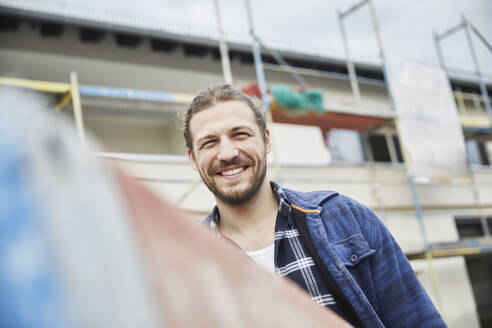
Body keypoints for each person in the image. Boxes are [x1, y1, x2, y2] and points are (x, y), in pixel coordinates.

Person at [183, 84, 446, 328]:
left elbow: (419, 320)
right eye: (209, 142)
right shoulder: (184, 260)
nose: (227, 153)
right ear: (193, 159)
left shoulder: (345, 218)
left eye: (240, 134)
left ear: (266, 140)